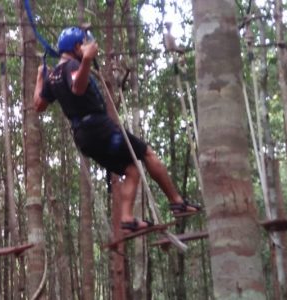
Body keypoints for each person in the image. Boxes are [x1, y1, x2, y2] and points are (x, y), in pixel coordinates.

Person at [34, 27, 201, 232]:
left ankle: (127, 219)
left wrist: (41, 76)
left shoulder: (53, 76)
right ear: (77, 47)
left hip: (84, 138)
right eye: (84, 45)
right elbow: (78, 88)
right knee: (146, 153)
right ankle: (177, 202)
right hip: (100, 130)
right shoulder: (73, 65)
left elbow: (39, 105)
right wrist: (86, 59)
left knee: (132, 169)